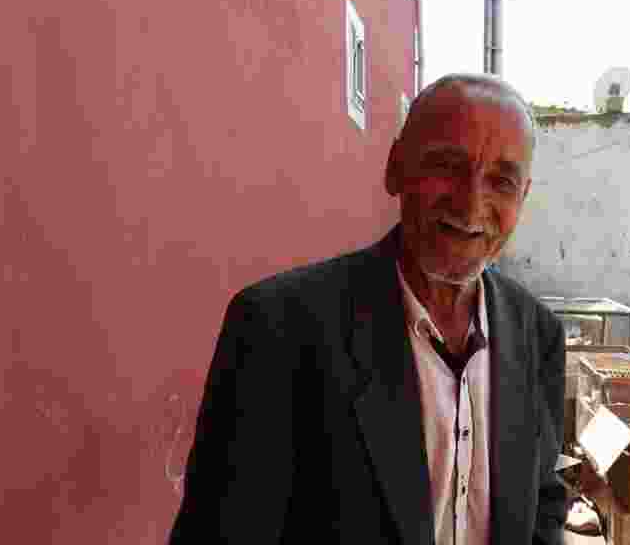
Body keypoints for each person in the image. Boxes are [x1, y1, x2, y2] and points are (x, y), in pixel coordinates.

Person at [168, 74, 568, 544]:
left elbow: (543, 502)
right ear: (395, 168)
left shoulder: (537, 334)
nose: (471, 203)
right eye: (447, 165)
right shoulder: (279, 330)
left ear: (523, 196)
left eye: (501, 181)